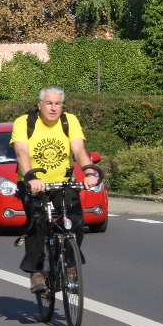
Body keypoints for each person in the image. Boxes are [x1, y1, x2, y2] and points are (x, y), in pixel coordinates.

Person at [11, 86, 100, 295]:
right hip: (33, 184)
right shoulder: (24, 123)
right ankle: (37, 272)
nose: (53, 108)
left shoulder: (70, 121)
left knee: (76, 219)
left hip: (63, 183)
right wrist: (32, 178)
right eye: (49, 103)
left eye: (58, 104)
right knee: (38, 220)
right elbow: (22, 153)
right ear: (40, 105)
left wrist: (89, 172)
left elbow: (79, 150)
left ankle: (70, 266)